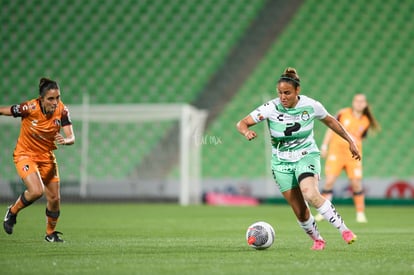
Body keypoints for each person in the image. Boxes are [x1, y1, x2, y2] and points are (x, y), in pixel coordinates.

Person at [236, 67, 360, 250]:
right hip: (281, 163)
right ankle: (318, 240)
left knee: (310, 193)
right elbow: (242, 122)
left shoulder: (311, 106)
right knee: (300, 212)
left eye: (287, 93)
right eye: (280, 93)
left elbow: (332, 121)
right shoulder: (270, 107)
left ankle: (345, 230)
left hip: (306, 155)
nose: (283, 97)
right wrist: (246, 131)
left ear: (297, 91)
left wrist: (350, 141)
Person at [0, 77, 75, 242]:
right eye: (51, 98)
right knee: (36, 191)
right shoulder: (30, 107)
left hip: (46, 157)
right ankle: (12, 212)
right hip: (25, 154)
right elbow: (7, 110)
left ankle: (50, 234)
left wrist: (65, 140)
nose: (55, 102)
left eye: (58, 97)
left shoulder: (62, 110)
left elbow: (71, 137)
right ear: (42, 99)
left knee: (55, 199)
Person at [315, 94, 380, 223]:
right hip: (336, 153)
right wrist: (324, 146)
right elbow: (331, 129)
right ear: (353, 102)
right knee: (329, 182)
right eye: (357, 101)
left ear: (365, 104)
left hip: (353, 157)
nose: (359, 103)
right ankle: (323, 213)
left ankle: (360, 213)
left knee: (356, 184)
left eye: (362, 101)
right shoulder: (343, 113)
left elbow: (361, 138)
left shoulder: (366, 120)